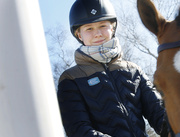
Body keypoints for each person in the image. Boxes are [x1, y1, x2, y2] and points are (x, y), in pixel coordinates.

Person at [57, 0, 167, 136]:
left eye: (103, 25)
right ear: (79, 35)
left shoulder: (133, 70)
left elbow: (159, 114)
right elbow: (78, 129)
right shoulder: (71, 78)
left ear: (113, 28)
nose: (98, 33)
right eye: (89, 28)